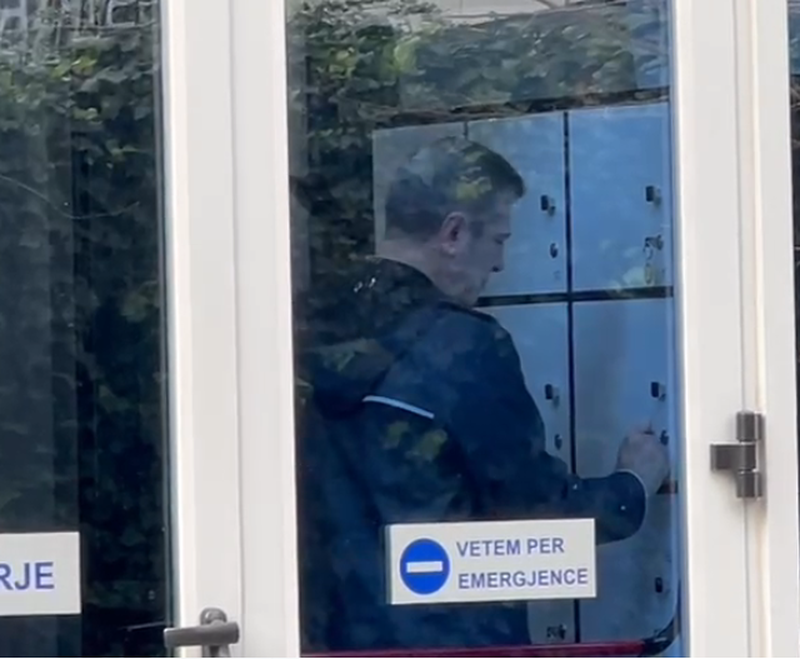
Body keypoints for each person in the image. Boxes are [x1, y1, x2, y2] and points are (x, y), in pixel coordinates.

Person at [295, 135, 670, 654]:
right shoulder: (463, 347)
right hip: (455, 642)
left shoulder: (308, 327)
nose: (499, 264)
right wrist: (633, 485)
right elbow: (540, 517)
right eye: (498, 239)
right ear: (453, 233)